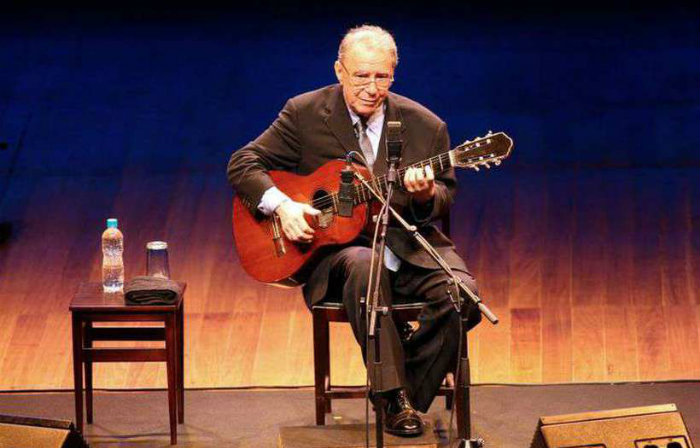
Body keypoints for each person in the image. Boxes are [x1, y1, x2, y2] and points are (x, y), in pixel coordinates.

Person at [227, 25, 481, 436]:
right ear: (340, 71)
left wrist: (424, 194)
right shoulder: (305, 112)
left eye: (381, 76)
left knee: (463, 297)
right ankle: (394, 398)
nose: (371, 87)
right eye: (361, 76)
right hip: (338, 256)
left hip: (408, 242)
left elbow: (443, 196)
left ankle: (402, 389)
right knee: (366, 265)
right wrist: (285, 205)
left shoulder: (425, 125)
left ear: (394, 74)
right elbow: (242, 163)